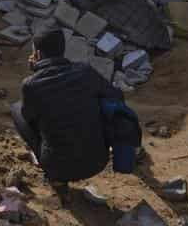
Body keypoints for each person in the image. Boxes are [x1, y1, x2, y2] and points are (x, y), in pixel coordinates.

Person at [12, 26, 124, 193]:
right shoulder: (84, 71)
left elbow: (30, 118)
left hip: (59, 168)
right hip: (98, 161)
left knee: (17, 109)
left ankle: (55, 177)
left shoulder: (31, 84)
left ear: (37, 54)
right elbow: (117, 97)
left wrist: (36, 72)